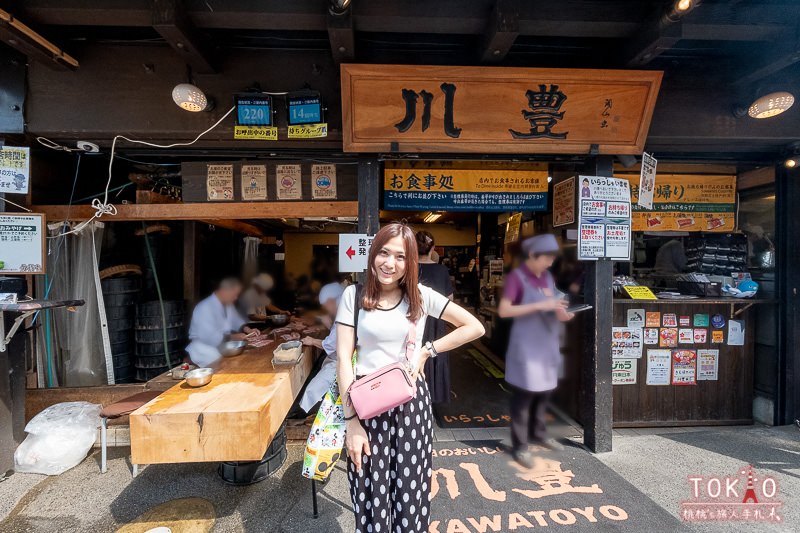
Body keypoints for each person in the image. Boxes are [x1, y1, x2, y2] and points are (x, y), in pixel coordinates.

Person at [336, 222, 485, 533]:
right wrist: (351, 422)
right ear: (373, 254)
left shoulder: (420, 296)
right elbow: (344, 360)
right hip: (366, 407)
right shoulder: (353, 295)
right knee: (368, 491)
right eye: (384, 253)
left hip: (411, 407)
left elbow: (474, 327)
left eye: (401, 257)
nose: (390, 263)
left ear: (411, 263)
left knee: (410, 494)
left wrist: (427, 350)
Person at [498, 234, 575, 467]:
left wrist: (562, 313)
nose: (550, 263)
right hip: (526, 346)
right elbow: (504, 311)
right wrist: (542, 305)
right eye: (547, 259)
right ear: (532, 256)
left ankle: (539, 434)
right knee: (523, 396)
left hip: (547, 343)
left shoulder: (547, 277)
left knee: (544, 392)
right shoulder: (516, 278)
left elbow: (553, 304)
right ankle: (520, 445)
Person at [416, 230, 455, 404]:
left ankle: (414, 393)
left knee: (414, 352)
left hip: (413, 319)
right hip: (436, 321)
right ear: (432, 248)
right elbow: (450, 301)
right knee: (435, 352)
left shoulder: (408, 268)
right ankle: (433, 396)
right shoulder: (441, 271)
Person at [186, 277, 254, 367]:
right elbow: (209, 336)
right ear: (223, 291)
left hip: (221, 347)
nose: (235, 298)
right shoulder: (205, 307)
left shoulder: (228, 305)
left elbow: (236, 321)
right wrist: (233, 337)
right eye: (234, 294)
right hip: (203, 351)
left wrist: (248, 330)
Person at [298, 282, 345, 412]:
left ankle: (306, 413)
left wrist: (312, 340)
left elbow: (331, 344)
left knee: (312, 390)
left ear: (331, 300)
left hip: (341, 362)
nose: (327, 310)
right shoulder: (344, 308)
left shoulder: (344, 312)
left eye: (325, 306)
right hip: (338, 359)